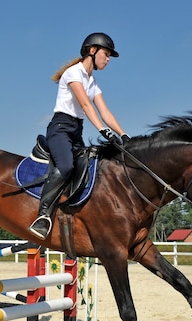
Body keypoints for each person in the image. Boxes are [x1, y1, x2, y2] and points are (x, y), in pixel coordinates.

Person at [28, 32, 130, 240]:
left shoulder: (93, 83)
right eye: (106, 54)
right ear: (92, 51)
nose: (108, 59)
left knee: (90, 168)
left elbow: (105, 112)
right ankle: (43, 215)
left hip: (76, 131)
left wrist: (124, 134)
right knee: (66, 166)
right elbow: (85, 104)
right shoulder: (73, 73)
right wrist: (103, 130)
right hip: (60, 129)